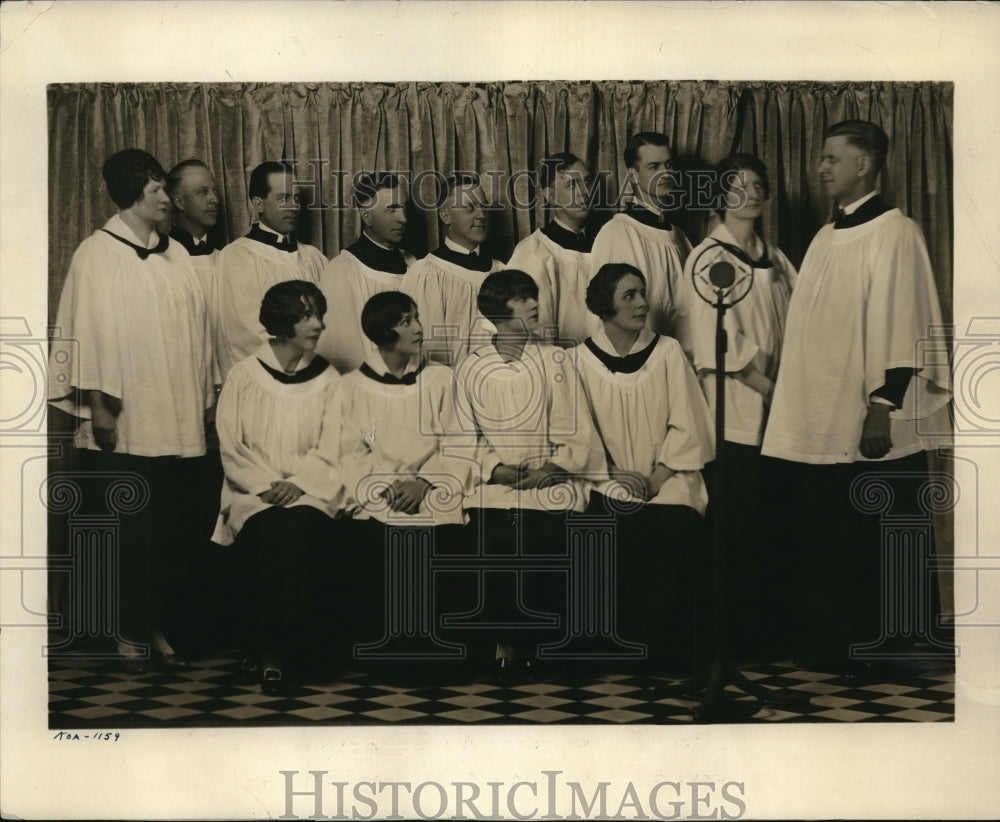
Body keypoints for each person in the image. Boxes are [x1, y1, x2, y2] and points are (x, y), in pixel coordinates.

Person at [760, 120, 951, 674]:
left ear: (864, 165)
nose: (820, 168)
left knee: (872, 530)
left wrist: (882, 404)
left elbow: (903, 319)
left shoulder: (897, 232)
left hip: (868, 413)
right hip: (819, 411)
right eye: (820, 158)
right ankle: (830, 643)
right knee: (825, 530)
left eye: (831, 158)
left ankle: (881, 647)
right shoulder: (825, 236)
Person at [48, 148, 215, 671]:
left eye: (165, 188)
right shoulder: (95, 254)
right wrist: (100, 407)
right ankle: (127, 630)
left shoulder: (176, 256)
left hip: (176, 412)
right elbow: (89, 333)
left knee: (169, 528)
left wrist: (204, 400)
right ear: (129, 197)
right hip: (125, 418)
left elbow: (200, 334)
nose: (167, 199)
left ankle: (158, 625)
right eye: (156, 191)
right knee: (127, 530)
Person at [452, 270, 606, 678]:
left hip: (550, 481)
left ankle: (542, 641)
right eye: (524, 298)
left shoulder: (555, 359)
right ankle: (503, 640)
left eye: (533, 296)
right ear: (501, 308)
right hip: (497, 486)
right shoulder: (470, 367)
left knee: (540, 538)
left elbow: (577, 429)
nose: (535, 304)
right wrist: (496, 469)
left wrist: (550, 470)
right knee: (493, 538)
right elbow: (463, 436)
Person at [677, 153, 797, 661]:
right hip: (737, 413)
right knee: (736, 523)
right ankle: (731, 641)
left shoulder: (779, 258)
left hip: (782, 413)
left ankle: (768, 634)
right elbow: (713, 340)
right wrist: (771, 389)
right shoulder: (707, 257)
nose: (749, 194)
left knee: (772, 524)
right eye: (737, 186)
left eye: (757, 185)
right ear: (719, 198)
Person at [577, 263, 714, 674]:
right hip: (605, 478)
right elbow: (579, 432)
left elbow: (689, 422)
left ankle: (669, 654)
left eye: (643, 293)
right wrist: (612, 474)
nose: (642, 303)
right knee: (606, 528)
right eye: (630, 296)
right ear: (604, 306)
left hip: (668, 475)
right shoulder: (578, 360)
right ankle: (619, 651)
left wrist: (658, 475)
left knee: (672, 527)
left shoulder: (668, 351)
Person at [213, 280, 345, 694]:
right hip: (254, 494)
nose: (318, 324)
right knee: (271, 532)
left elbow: (337, 443)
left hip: (310, 493)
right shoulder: (244, 376)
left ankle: (291, 649)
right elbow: (231, 445)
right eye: (306, 315)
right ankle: (270, 649)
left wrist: (301, 484)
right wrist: (267, 487)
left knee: (301, 530)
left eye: (318, 314)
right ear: (282, 321)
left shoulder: (329, 379)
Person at [336, 291, 470, 655]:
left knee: (441, 545)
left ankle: (435, 647)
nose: (418, 328)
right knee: (377, 544)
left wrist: (424, 482)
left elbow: (459, 441)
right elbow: (351, 451)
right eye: (405, 321)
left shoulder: (442, 379)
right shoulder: (350, 387)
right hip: (380, 493)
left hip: (432, 488)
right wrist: (388, 485)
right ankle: (387, 646)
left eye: (417, 317)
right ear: (382, 331)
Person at [214, 161, 326, 379]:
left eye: (296, 198)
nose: (293, 206)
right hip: (270, 381)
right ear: (259, 204)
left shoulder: (314, 257)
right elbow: (245, 333)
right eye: (283, 198)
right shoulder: (238, 256)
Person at [591, 132, 693, 338]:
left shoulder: (680, 237)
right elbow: (608, 317)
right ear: (633, 176)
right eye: (654, 167)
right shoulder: (617, 233)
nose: (665, 173)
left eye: (669, 164)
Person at [317, 172, 416, 374]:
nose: (403, 218)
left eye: (404, 208)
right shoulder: (343, 270)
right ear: (366, 216)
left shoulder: (413, 263)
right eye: (392, 210)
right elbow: (342, 351)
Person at [401, 174, 505, 366]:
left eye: (483, 207)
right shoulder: (427, 273)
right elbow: (426, 354)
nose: (481, 215)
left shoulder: (501, 271)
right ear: (445, 216)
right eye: (470, 207)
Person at [507, 153, 598, 346]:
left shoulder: (605, 244)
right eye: (572, 185)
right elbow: (530, 334)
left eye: (587, 181)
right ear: (550, 196)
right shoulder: (533, 251)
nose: (585, 192)